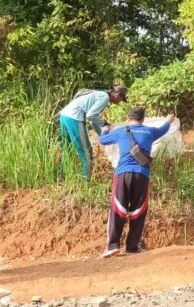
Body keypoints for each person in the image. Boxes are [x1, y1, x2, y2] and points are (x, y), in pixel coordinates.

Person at [98, 107, 174, 258]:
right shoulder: (150, 131)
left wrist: (105, 129)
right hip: (142, 175)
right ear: (143, 119)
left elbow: (102, 140)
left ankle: (112, 245)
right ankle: (132, 246)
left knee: (118, 208)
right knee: (138, 210)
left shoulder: (121, 131)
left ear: (128, 118)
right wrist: (168, 120)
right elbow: (164, 128)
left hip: (123, 174)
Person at [58, 83, 128, 179]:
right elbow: (91, 115)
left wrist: (103, 136)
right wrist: (105, 124)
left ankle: (61, 177)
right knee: (87, 154)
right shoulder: (104, 98)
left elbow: (94, 120)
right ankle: (85, 182)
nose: (120, 102)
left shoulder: (100, 94)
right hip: (74, 118)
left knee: (68, 148)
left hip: (64, 115)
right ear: (118, 94)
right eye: (121, 99)